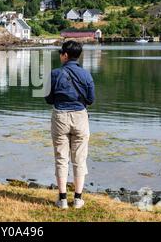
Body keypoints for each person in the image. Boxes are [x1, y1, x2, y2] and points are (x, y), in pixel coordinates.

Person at [45, 40, 95, 210]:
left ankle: (63, 200)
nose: (60, 56)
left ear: (65, 55)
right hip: (80, 117)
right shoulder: (86, 75)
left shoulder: (54, 74)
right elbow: (90, 100)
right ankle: (79, 199)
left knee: (61, 158)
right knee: (79, 159)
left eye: (61, 53)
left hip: (60, 116)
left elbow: (48, 99)